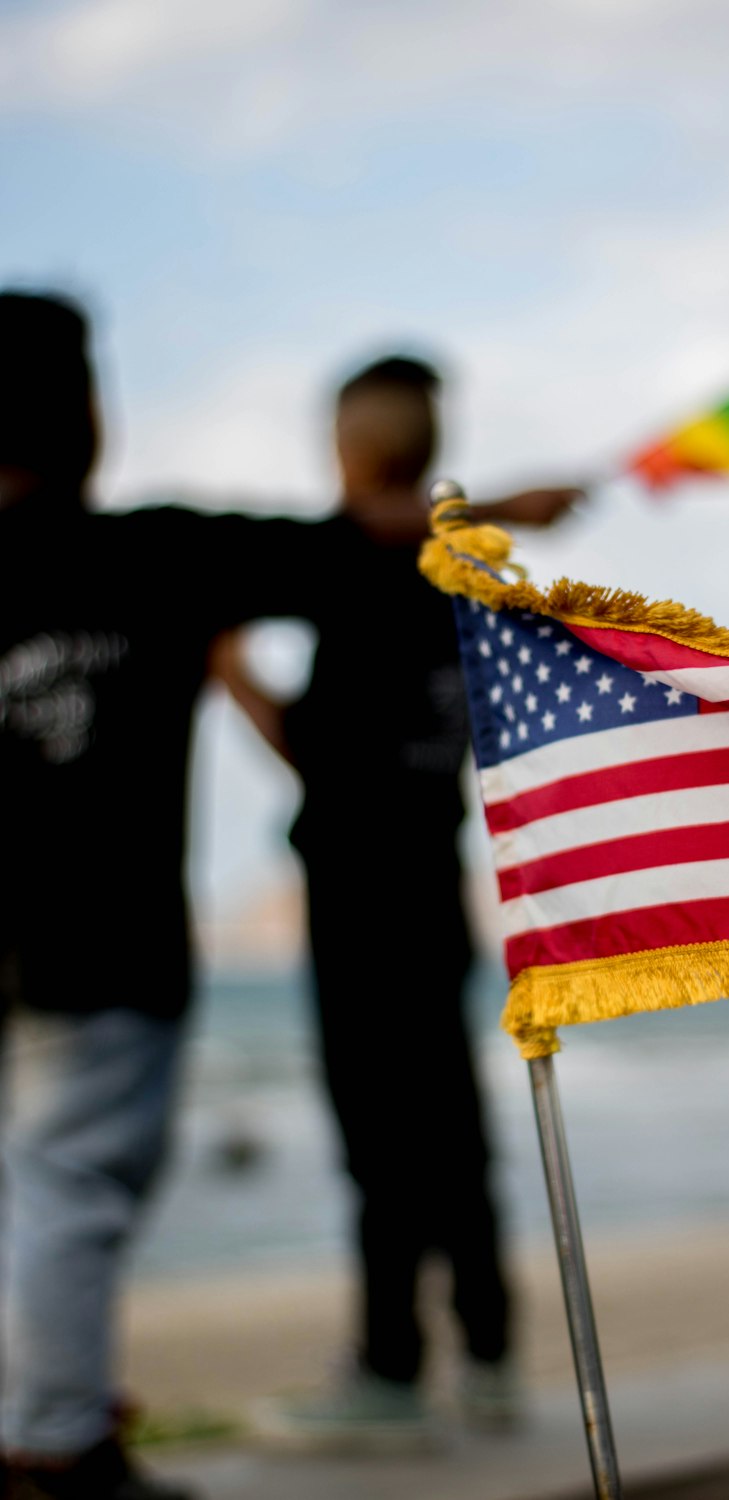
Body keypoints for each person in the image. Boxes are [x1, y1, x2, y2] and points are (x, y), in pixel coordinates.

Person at [0, 292, 412, 1500]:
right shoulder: (159, 551)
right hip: (107, 948)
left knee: (36, 1190)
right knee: (71, 1185)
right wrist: (497, 511)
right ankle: (58, 1446)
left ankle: (47, 1417)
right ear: (86, 413)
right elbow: (356, 541)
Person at [211, 354, 582, 1448]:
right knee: (452, 1130)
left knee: (379, 1137)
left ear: (350, 452)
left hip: (359, 893)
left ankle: (388, 1369)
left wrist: (228, 668)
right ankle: (491, 1356)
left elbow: (313, 751)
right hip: (432, 880)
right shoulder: (456, 575)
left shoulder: (355, 574)